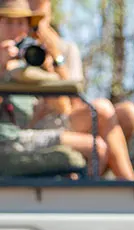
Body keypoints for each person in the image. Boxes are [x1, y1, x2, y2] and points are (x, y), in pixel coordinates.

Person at [1, 0, 107, 175]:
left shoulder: (31, 60)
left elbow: (66, 107)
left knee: (100, 136)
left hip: (27, 132)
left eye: (21, 23)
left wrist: (52, 61)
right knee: (98, 148)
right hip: (8, 139)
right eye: (9, 22)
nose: (15, 30)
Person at [27, 0, 134, 146]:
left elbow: (74, 103)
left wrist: (56, 59)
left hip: (66, 117)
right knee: (101, 111)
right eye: (28, 20)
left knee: (129, 114)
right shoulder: (12, 48)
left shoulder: (65, 49)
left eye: (38, 20)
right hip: (36, 122)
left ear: (49, 15)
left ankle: (98, 167)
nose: (34, 28)